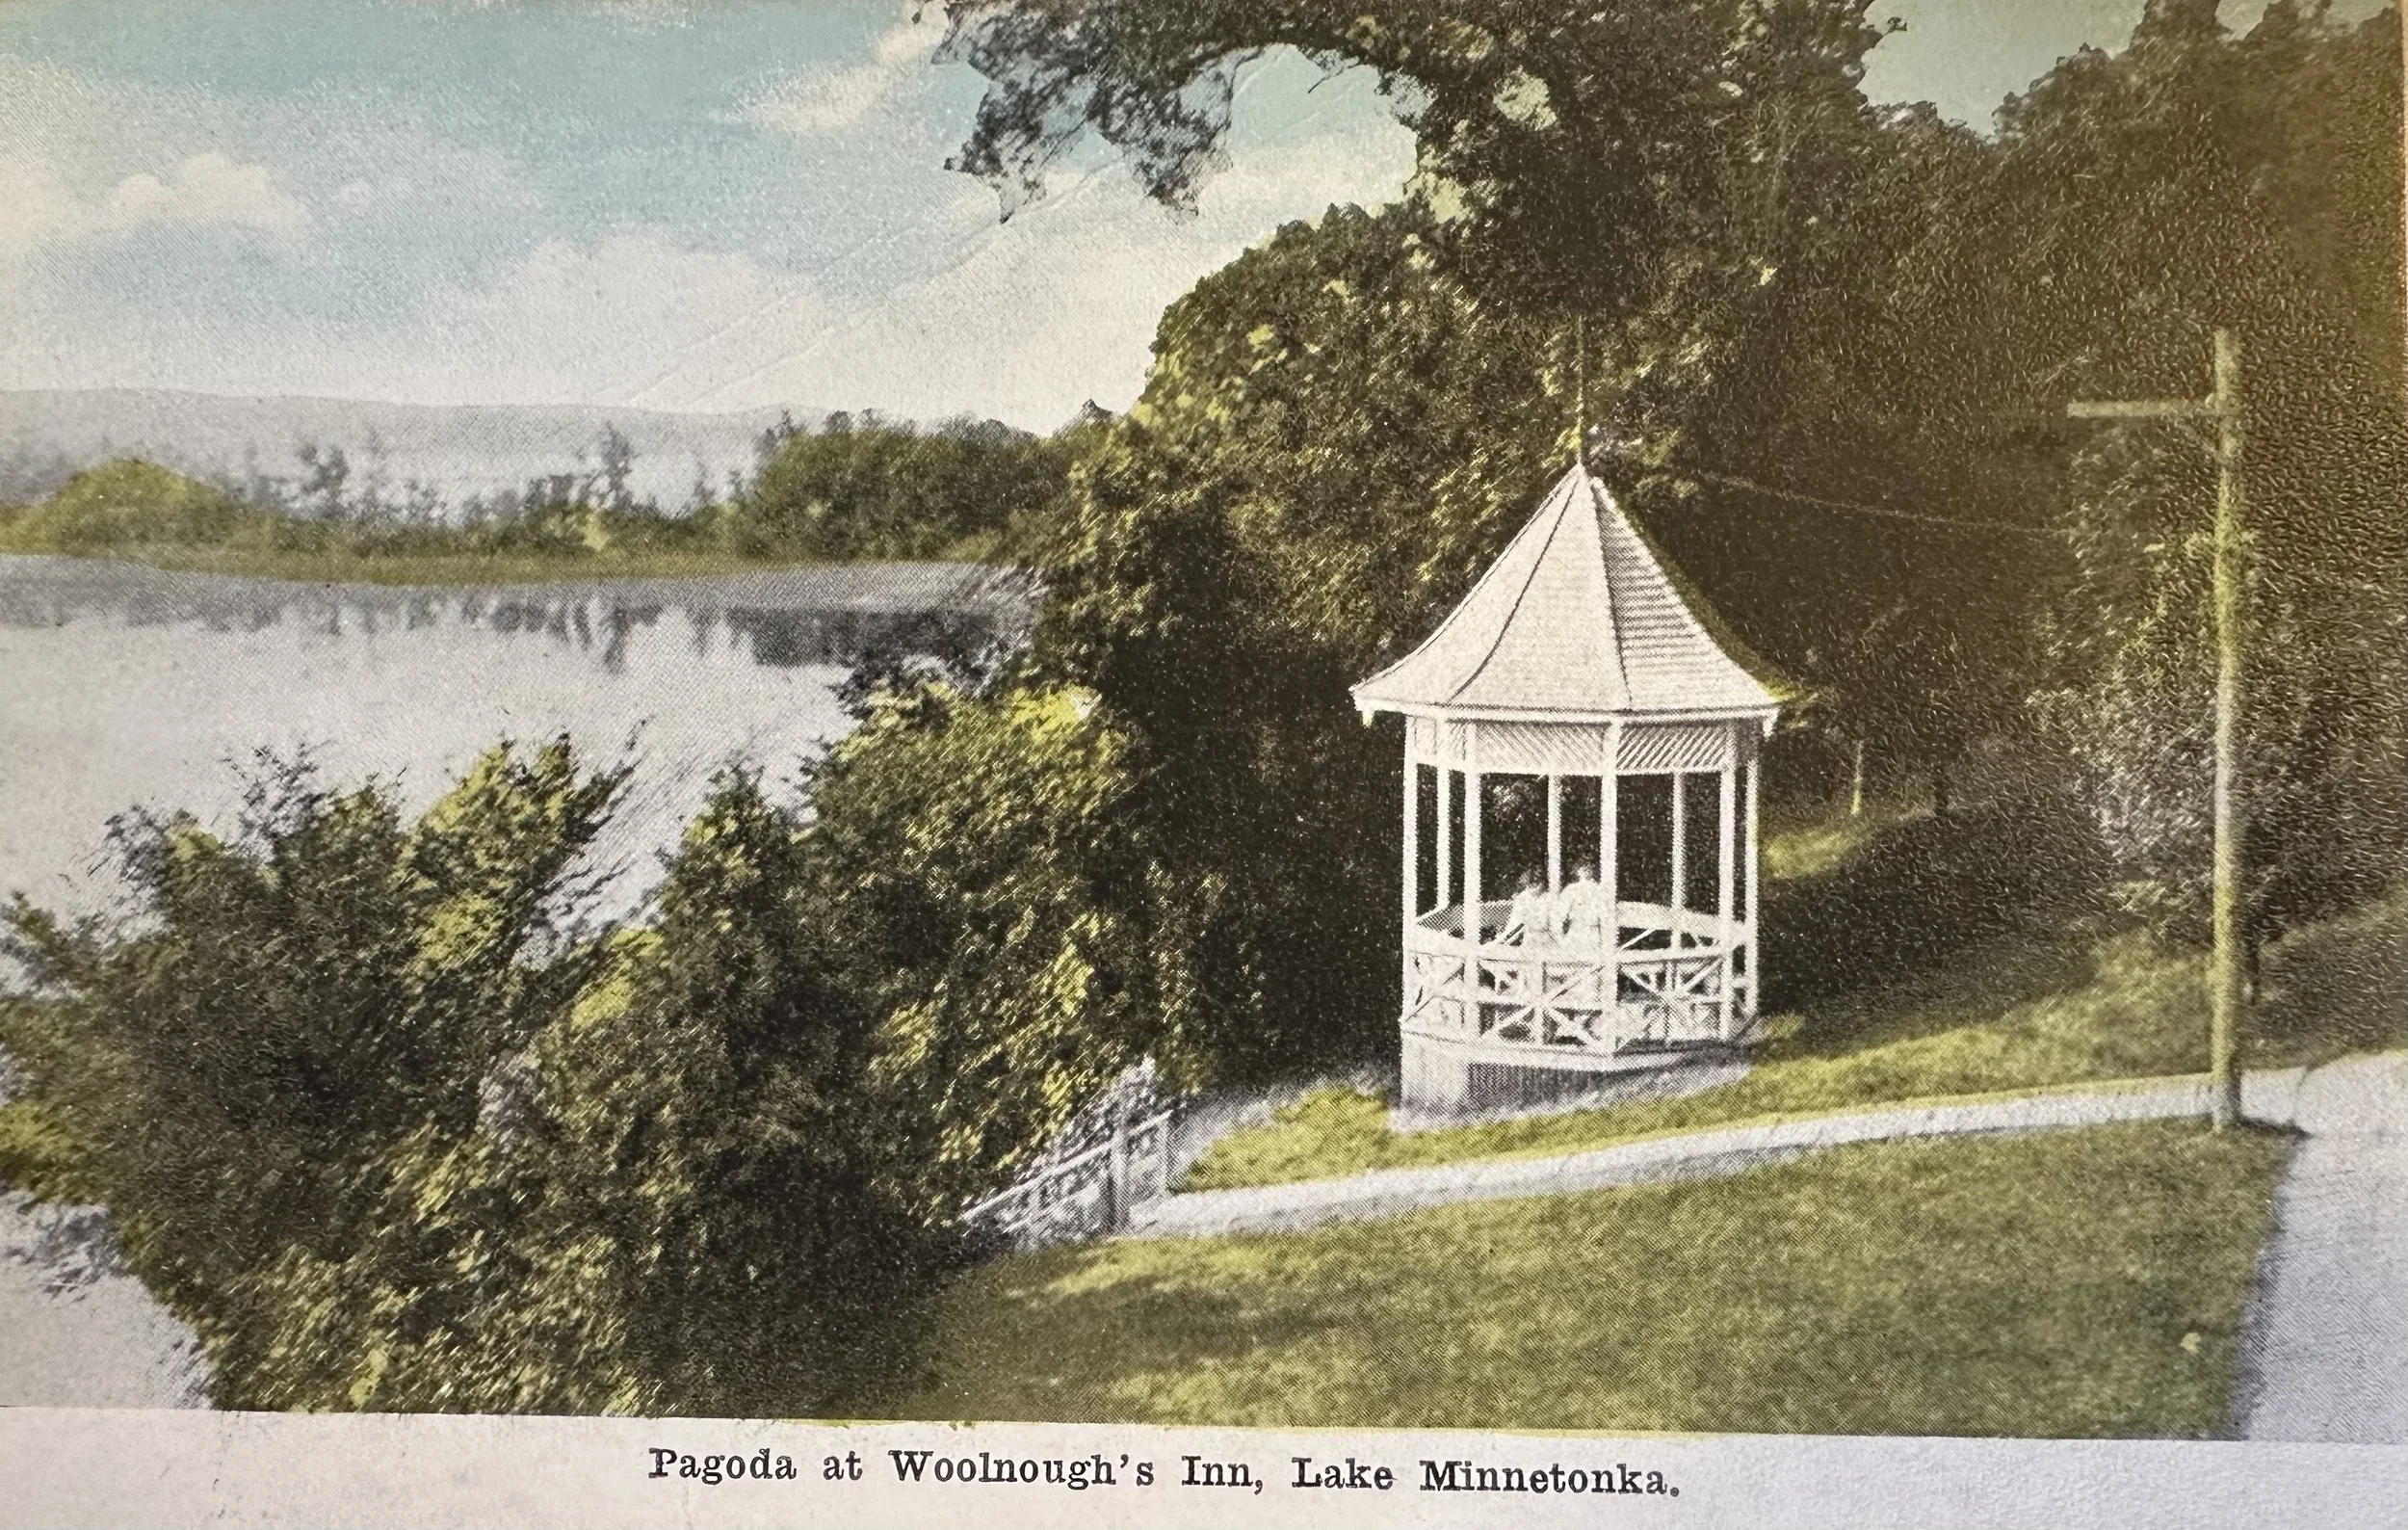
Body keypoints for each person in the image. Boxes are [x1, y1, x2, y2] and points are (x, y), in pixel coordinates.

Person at [1557, 858, 1610, 953]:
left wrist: (1605, 942)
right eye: (1583, 868)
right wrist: (1561, 940)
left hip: (1594, 935)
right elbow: (1559, 916)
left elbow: (1606, 918)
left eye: (1590, 867)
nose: (1587, 870)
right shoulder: (1571, 890)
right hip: (1576, 934)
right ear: (1577, 871)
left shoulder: (1600, 891)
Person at [1500, 867, 1557, 950]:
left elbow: (1556, 927)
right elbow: (1514, 927)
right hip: (1530, 943)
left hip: (1549, 943)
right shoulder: (1522, 898)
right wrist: (1499, 943)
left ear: (1544, 882)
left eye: (1538, 882)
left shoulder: (1549, 898)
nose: (1535, 887)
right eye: (1531, 884)